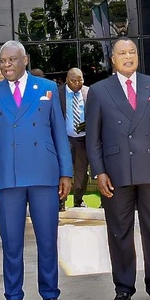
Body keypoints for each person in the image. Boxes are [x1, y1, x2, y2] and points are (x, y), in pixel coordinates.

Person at [0, 42, 72, 300]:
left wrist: (66, 172)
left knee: (47, 239)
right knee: (11, 242)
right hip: (8, 177)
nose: (6, 65)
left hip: (44, 173)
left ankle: (50, 294)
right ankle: (14, 297)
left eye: (12, 59)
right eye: (2, 61)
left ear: (25, 60)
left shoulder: (47, 88)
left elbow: (59, 132)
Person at [85, 38, 150, 300]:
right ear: (112, 59)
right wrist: (99, 172)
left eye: (132, 52)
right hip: (116, 173)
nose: (128, 57)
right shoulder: (99, 91)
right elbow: (93, 139)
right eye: (122, 53)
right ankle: (123, 288)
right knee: (119, 232)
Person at [58, 67, 90, 210]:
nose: (77, 83)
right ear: (67, 80)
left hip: (82, 139)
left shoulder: (88, 92)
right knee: (62, 171)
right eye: (73, 80)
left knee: (82, 172)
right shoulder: (58, 93)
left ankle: (78, 200)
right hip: (64, 139)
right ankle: (61, 201)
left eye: (80, 80)